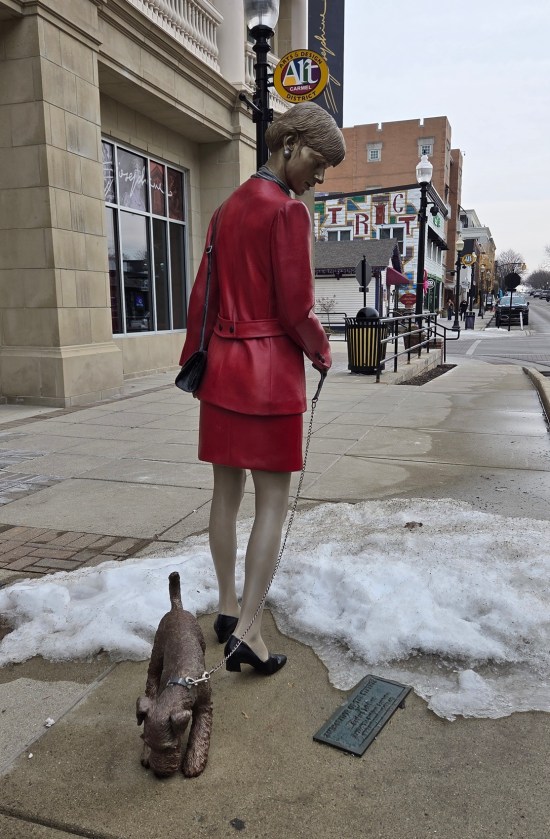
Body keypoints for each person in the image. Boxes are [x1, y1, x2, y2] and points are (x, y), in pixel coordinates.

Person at [179, 103, 346, 676]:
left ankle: (228, 607)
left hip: (224, 370)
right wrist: (322, 351)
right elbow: (296, 308)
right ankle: (247, 634)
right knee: (271, 500)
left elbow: (203, 296)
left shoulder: (226, 210)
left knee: (224, 493)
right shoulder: (288, 213)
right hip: (269, 373)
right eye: (318, 164)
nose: (319, 178)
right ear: (291, 143)